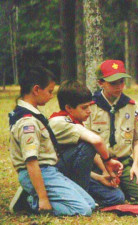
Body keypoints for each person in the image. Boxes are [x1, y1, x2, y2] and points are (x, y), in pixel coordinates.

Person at [8, 66, 95, 216]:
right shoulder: (27, 122)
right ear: (36, 90)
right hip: (39, 172)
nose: (51, 96)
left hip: (49, 171)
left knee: (90, 204)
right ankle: (32, 202)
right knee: (83, 210)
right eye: (49, 91)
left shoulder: (34, 115)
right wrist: (43, 199)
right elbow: (31, 161)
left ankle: (38, 196)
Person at [48, 80, 125, 207]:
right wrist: (108, 161)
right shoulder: (59, 122)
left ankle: (85, 199)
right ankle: (79, 199)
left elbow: (82, 162)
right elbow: (95, 141)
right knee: (88, 145)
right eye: (84, 107)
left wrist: (102, 174)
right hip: (56, 174)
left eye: (90, 105)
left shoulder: (76, 121)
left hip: (71, 173)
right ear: (68, 108)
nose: (89, 111)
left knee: (117, 197)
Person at [84, 60, 138, 204]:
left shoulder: (130, 105)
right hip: (99, 163)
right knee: (116, 198)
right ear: (101, 83)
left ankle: (121, 184)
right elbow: (87, 142)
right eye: (113, 83)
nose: (119, 87)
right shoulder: (90, 107)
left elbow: (137, 139)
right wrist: (105, 168)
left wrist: (136, 165)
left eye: (121, 82)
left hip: (124, 163)